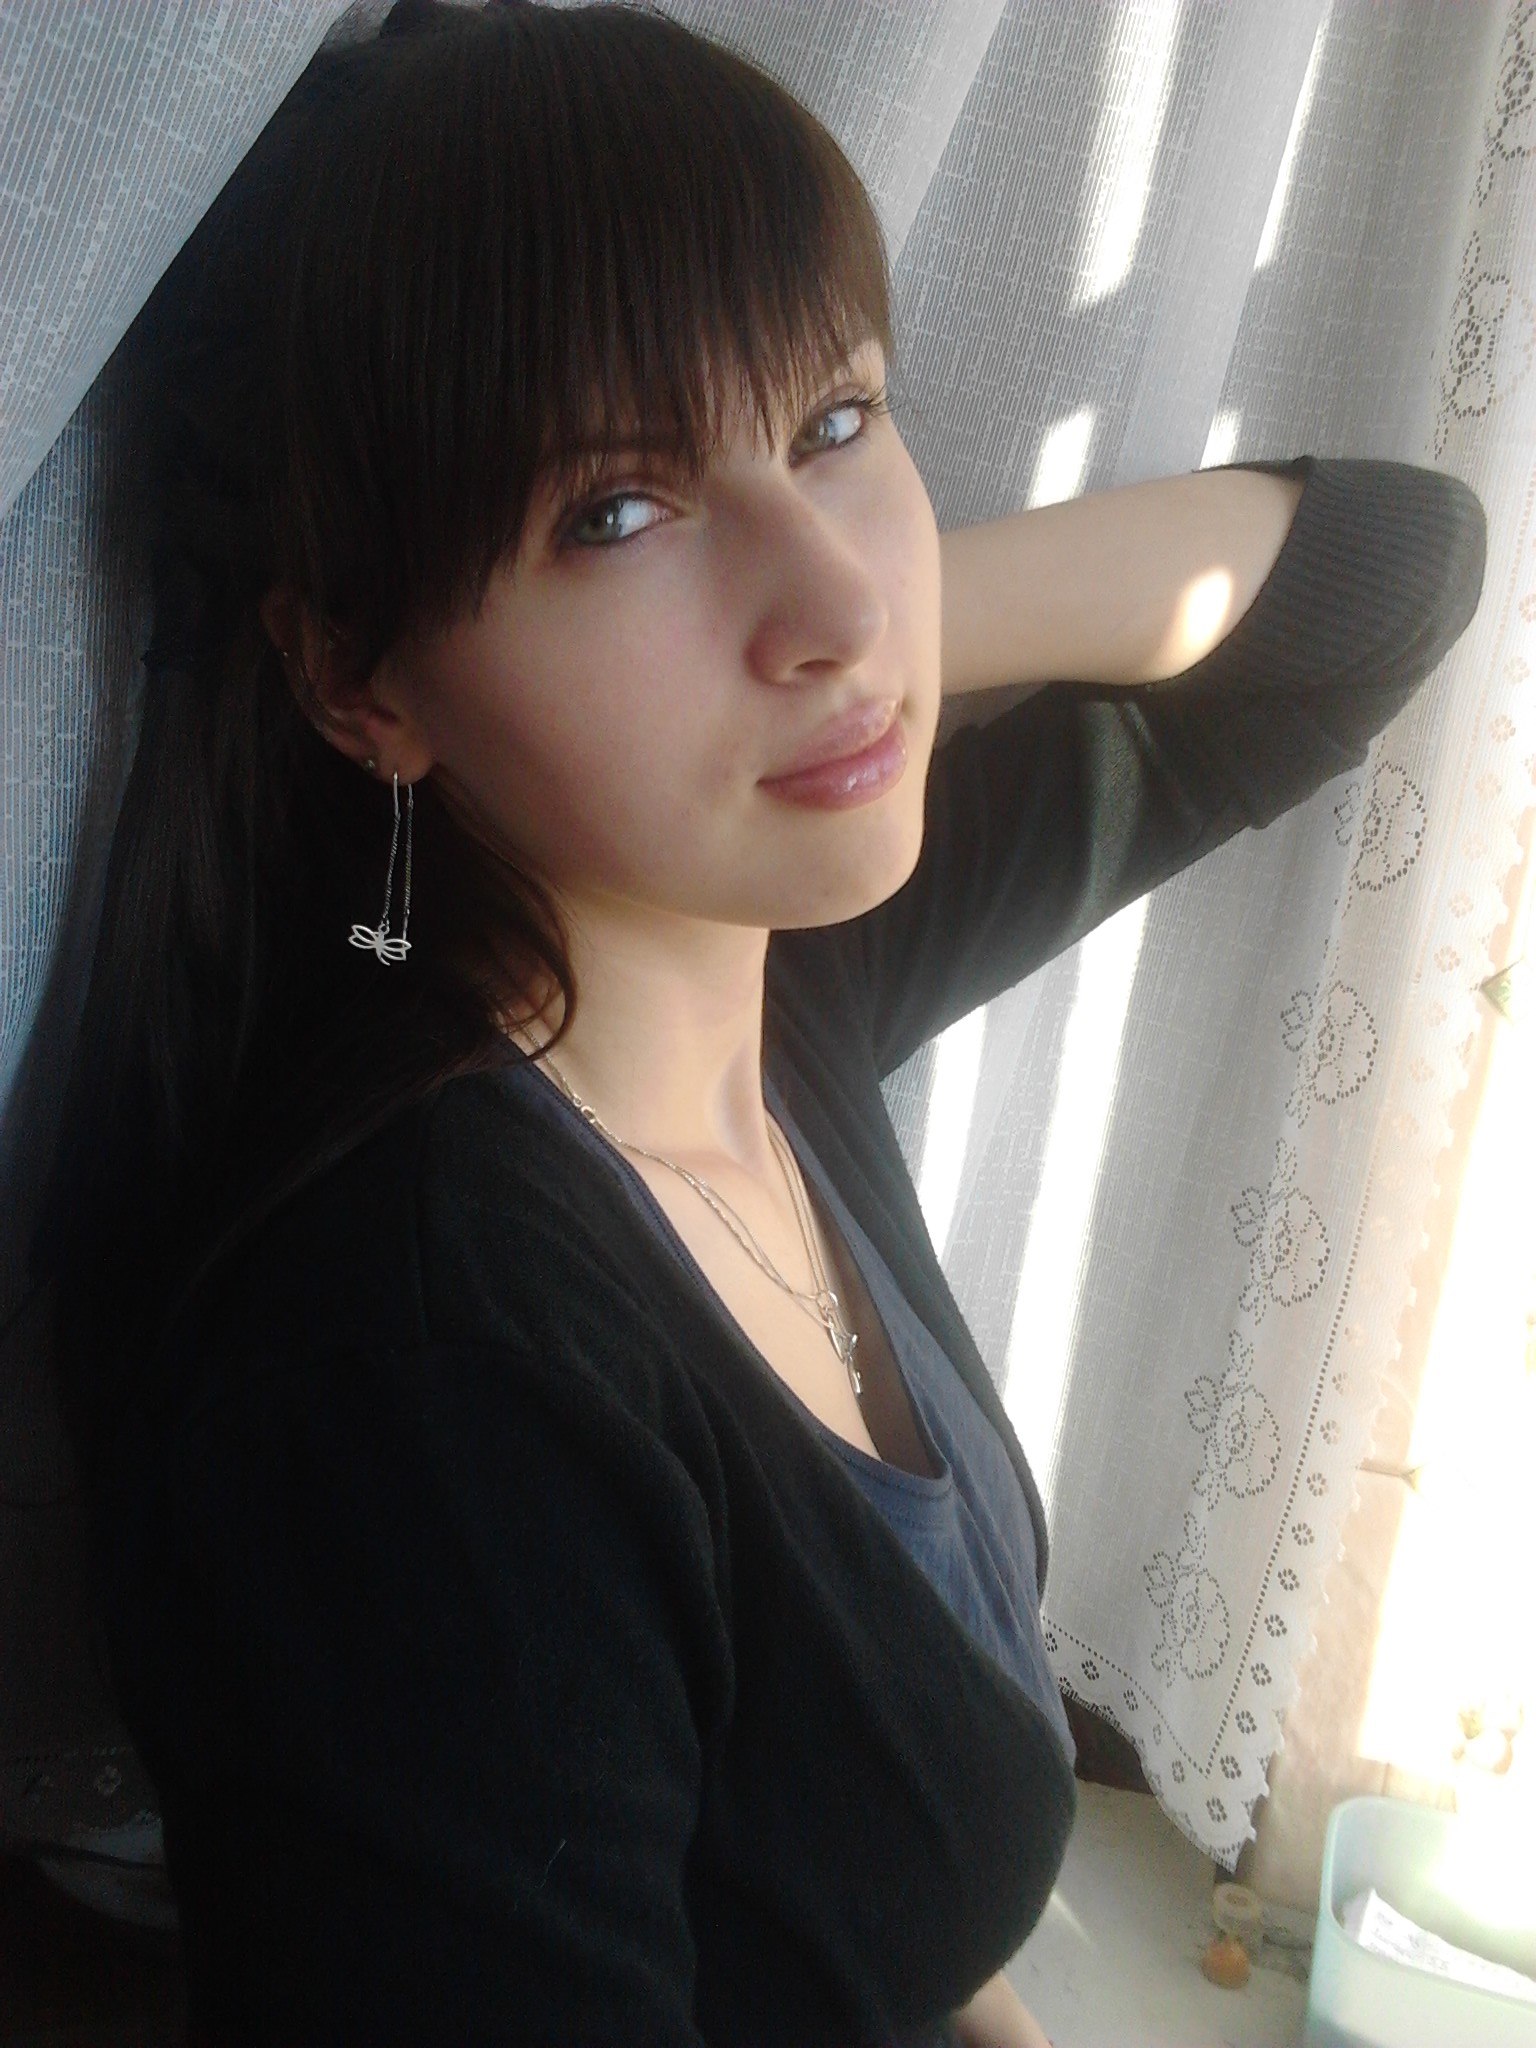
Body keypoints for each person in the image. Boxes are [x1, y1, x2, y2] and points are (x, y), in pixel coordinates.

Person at [32, 1, 1486, 2042]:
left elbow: (1384, 577)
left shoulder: (771, 987)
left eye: (835, 422)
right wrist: (849, 651)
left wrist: (881, 649)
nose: (833, 595)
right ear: (361, 679)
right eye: (612, 514)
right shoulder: (422, 1388)